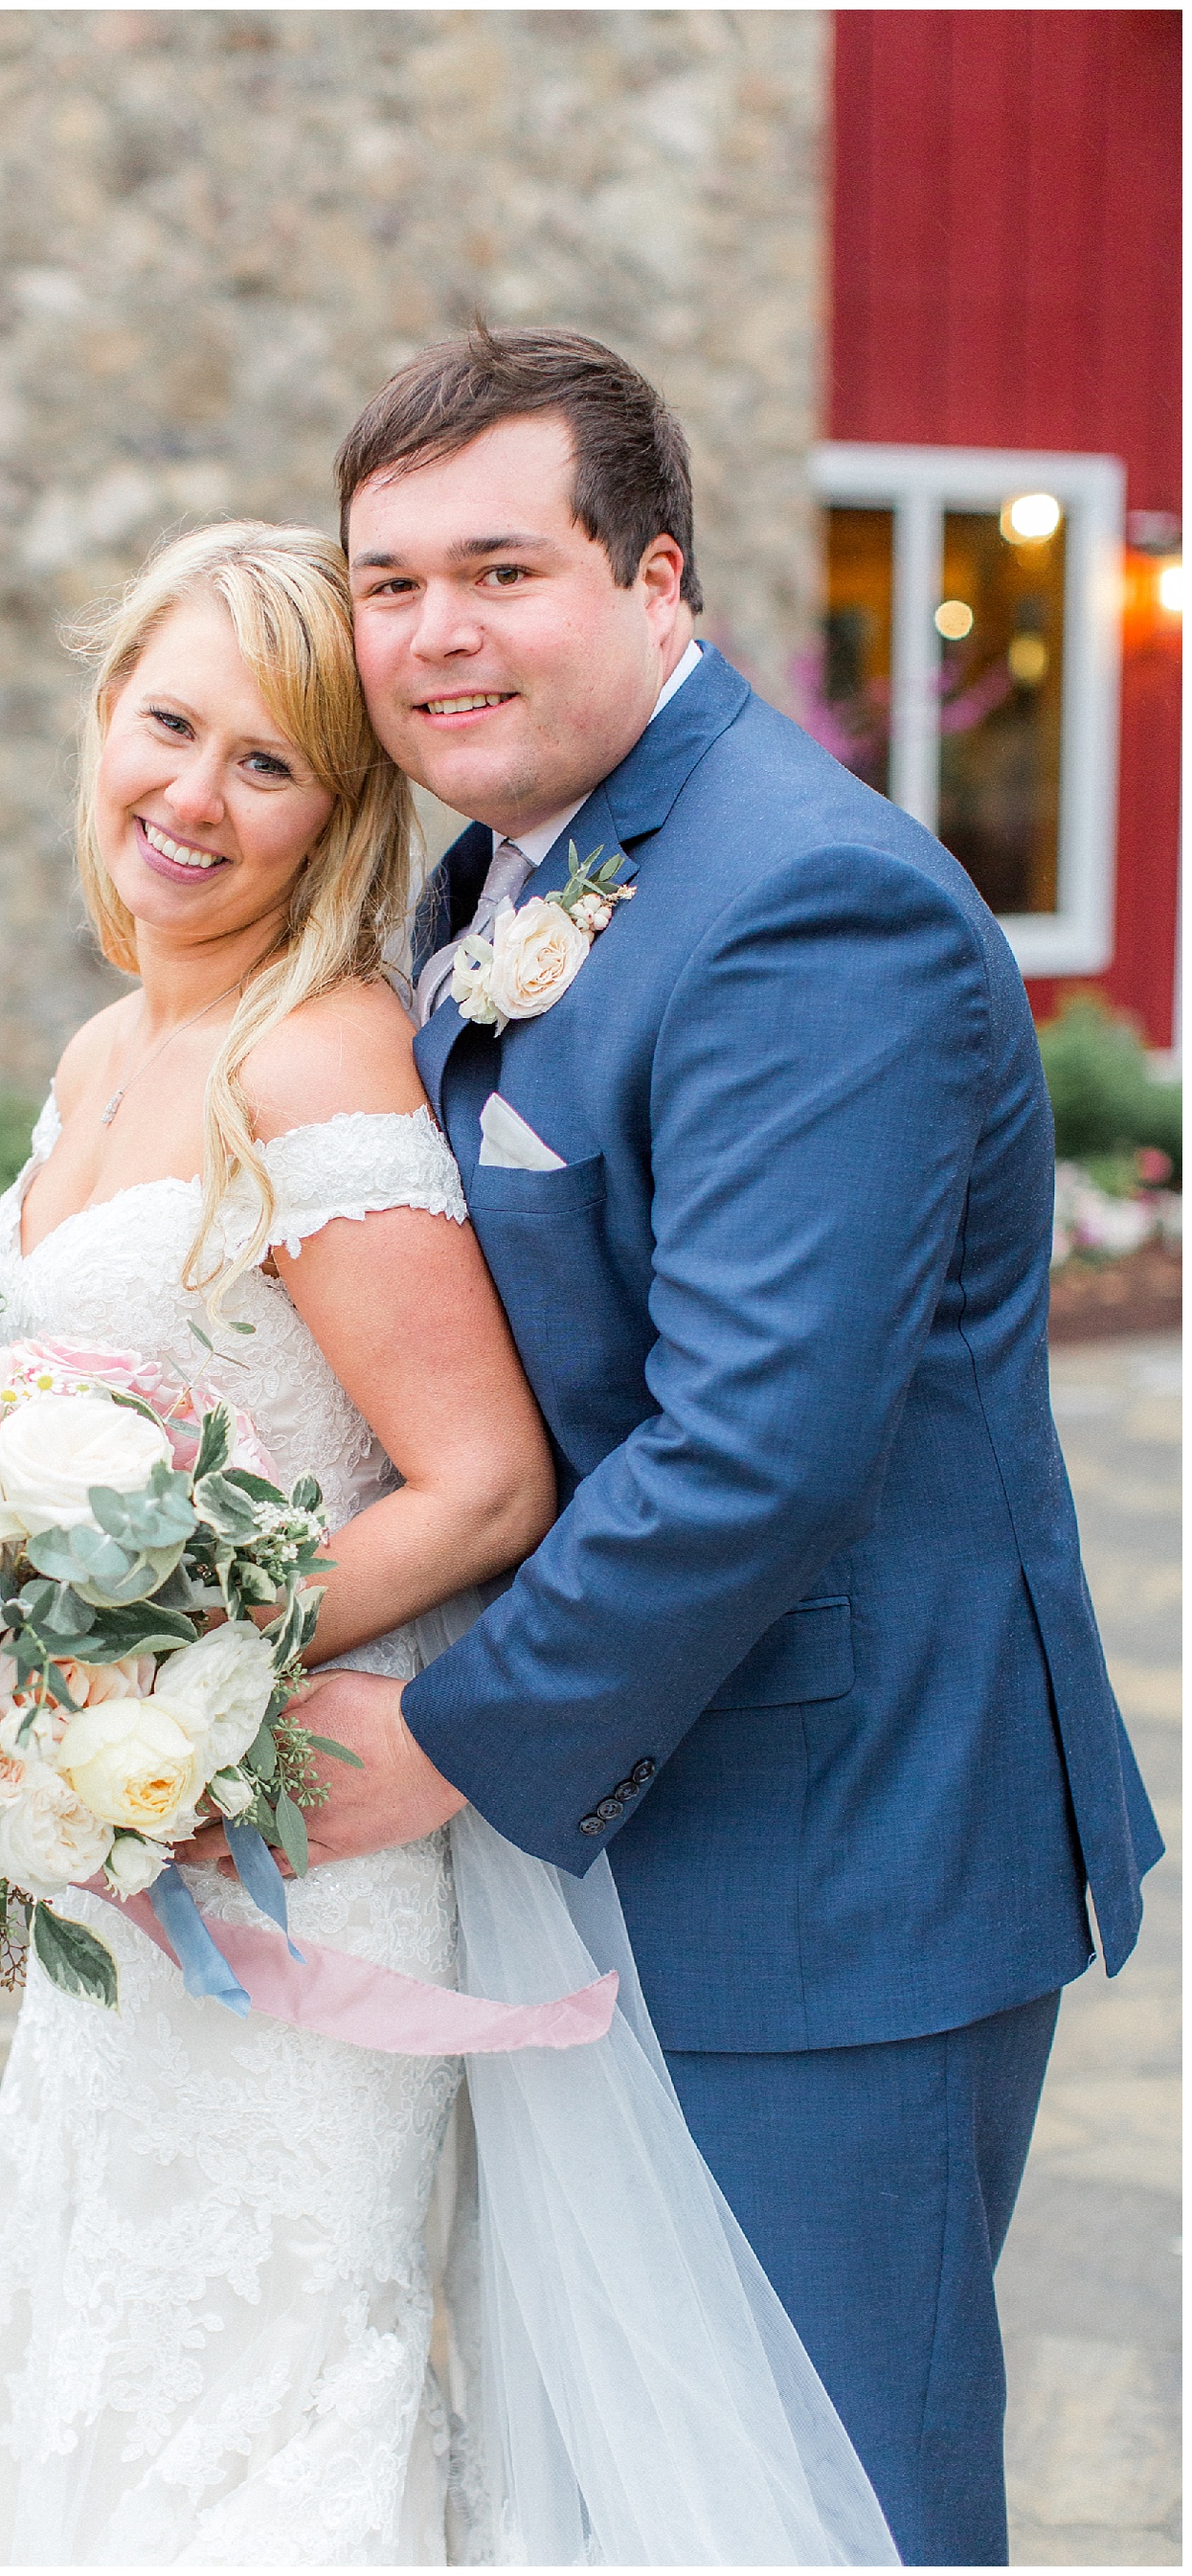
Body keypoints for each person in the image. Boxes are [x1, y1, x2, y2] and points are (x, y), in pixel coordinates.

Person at [0, 521, 897, 2565]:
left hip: (295, 1836)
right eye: (169, 726)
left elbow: (483, 1482)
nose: (194, 797)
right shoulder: (101, 1048)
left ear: (337, 810)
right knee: (91, 2354)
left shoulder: (308, 1054)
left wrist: (159, 1690)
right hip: (143, 1845)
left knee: (265, 2411)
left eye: (270, 763)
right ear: (102, 710)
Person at [298, 325, 1163, 2567]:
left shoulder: (809, 904)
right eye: (390, 584)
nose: (435, 633)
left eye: (503, 566)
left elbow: (758, 1443)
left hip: (826, 1855)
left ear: (659, 580)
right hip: (640, 1819)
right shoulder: (500, 876)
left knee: (824, 2500)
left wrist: (450, 1737)